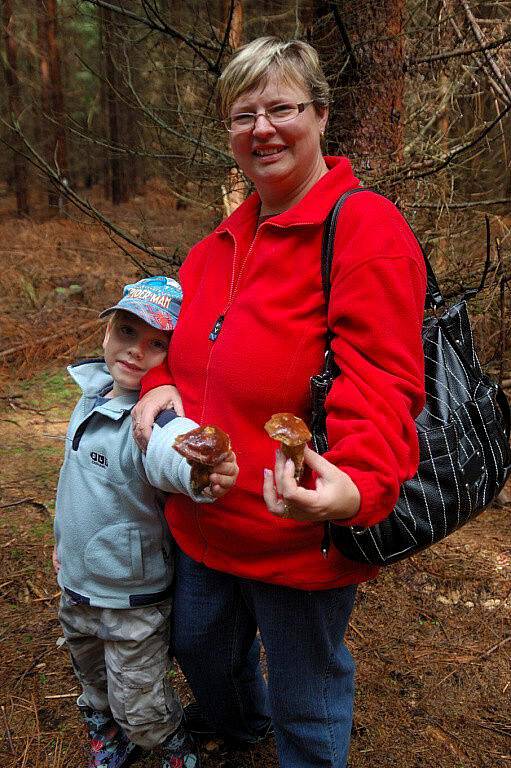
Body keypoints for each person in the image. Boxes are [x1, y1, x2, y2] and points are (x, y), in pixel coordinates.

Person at [132, 37, 426, 768]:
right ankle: (239, 730)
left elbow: (382, 379)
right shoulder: (217, 246)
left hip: (294, 531)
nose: (261, 128)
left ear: (320, 115)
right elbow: (176, 343)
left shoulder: (363, 229)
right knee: (199, 648)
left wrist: (353, 482)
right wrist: (157, 379)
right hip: (203, 520)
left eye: (281, 108)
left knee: (307, 690)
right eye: (242, 115)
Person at [52, 276, 239, 768]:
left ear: (173, 357)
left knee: (141, 699)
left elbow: (172, 451)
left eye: (157, 343)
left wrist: (202, 471)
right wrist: (60, 542)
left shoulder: (152, 417)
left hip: (131, 596)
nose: (136, 351)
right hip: (75, 585)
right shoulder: (90, 395)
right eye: (127, 332)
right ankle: (105, 728)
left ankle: (171, 745)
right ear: (106, 333)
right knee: (92, 679)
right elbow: (72, 483)